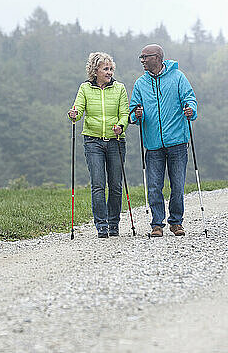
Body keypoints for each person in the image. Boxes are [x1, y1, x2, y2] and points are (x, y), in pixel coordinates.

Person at [129, 44, 197, 237]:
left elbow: (190, 99)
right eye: (141, 57)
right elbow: (132, 111)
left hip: (177, 141)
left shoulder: (178, 77)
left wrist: (190, 110)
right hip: (153, 144)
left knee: (177, 184)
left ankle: (176, 222)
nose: (142, 60)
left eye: (145, 57)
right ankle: (156, 224)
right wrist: (137, 114)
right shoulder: (141, 83)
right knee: (153, 186)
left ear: (157, 57)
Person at [68, 52, 129, 238]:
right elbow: (78, 109)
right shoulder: (85, 88)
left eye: (111, 69)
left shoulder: (119, 89)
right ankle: (101, 226)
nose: (109, 72)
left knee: (116, 186)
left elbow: (124, 113)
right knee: (98, 185)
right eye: (106, 69)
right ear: (95, 71)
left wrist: (121, 125)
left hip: (116, 141)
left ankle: (114, 224)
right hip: (93, 141)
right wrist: (74, 114)